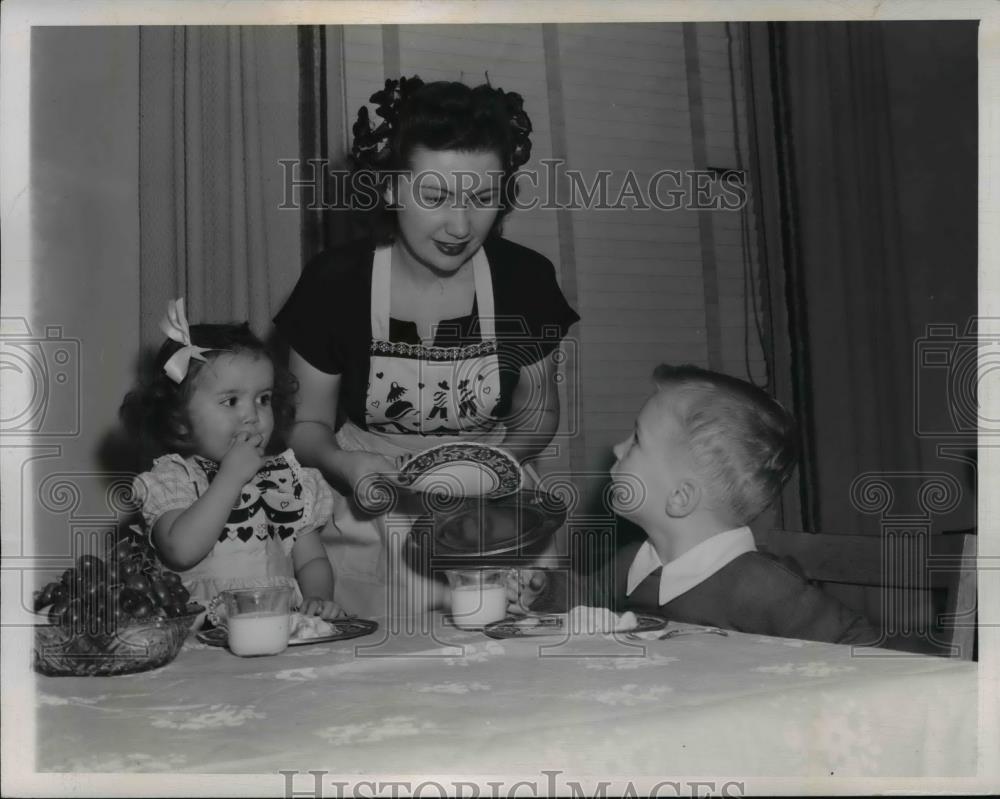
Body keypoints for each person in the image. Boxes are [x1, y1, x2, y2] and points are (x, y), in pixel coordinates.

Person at [274, 76, 579, 618]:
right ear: (391, 188)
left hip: (498, 506)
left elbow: (538, 409)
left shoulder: (525, 279)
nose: (460, 226)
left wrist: (490, 469)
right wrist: (347, 464)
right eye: (435, 197)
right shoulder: (334, 282)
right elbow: (307, 427)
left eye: (483, 198)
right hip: (376, 505)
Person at [523, 364, 883, 646]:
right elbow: (589, 598)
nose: (617, 449)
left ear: (680, 497)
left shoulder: (756, 584)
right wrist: (542, 588)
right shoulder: (635, 561)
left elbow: (859, 642)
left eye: (636, 440)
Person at [122, 299, 344, 618]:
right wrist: (229, 478)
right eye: (230, 401)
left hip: (279, 623)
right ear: (179, 420)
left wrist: (318, 598)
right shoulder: (174, 478)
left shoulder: (291, 479)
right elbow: (181, 550)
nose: (252, 416)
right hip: (201, 635)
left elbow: (311, 560)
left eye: (263, 399)